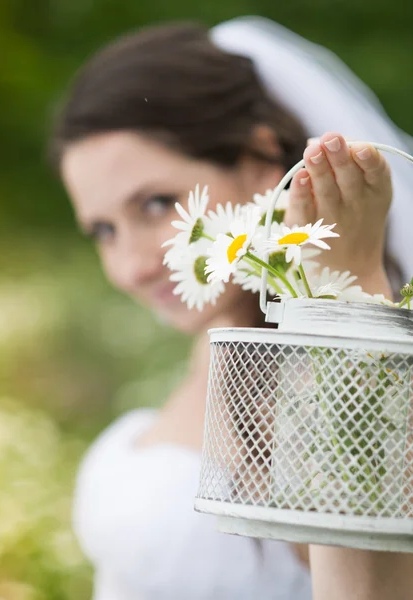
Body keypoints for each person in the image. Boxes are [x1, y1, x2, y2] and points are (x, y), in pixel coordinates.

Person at [49, 17, 413, 600]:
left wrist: (347, 291)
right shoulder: (214, 351)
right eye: (102, 229)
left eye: (156, 203)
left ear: (263, 161)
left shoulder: (354, 384)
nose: (130, 266)